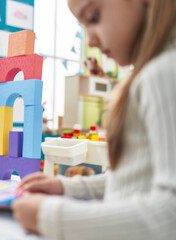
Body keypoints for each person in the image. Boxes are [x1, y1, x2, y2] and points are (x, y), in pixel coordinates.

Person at [12, 0, 176, 239]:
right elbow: (135, 179)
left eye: (94, 17)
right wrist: (66, 187)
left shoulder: (163, 73)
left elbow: (170, 213)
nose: (90, 42)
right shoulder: (155, 73)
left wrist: (49, 216)